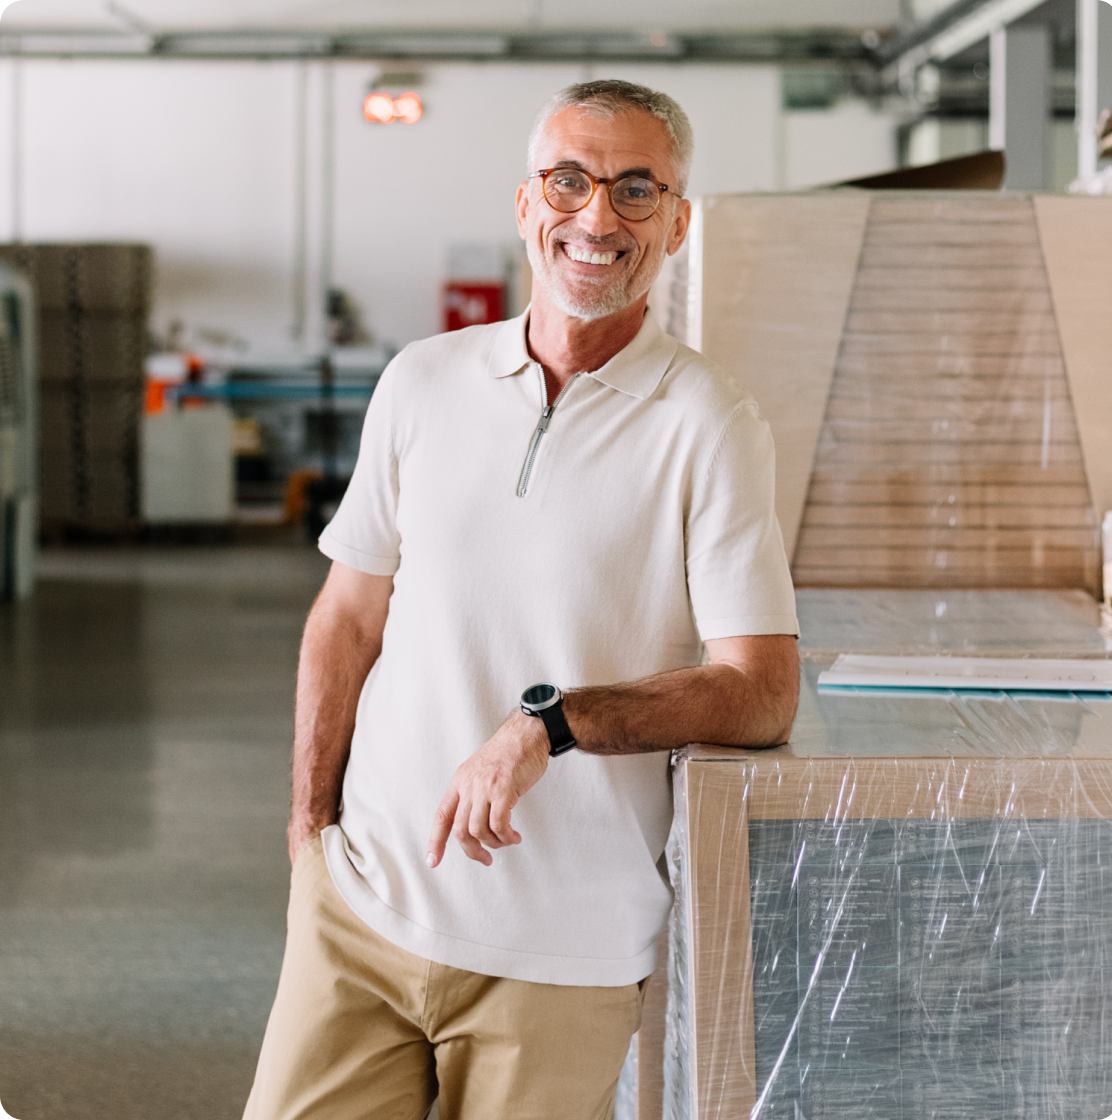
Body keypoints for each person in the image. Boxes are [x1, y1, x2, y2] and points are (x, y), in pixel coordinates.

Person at [243, 79, 800, 1120]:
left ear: (677, 221)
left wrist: (557, 724)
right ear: (525, 204)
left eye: (636, 190)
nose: (597, 217)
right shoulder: (421, 380)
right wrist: (309, 832)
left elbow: (761, 691)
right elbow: (348, 617)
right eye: (570, 181)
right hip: (361, 908)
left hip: (561, 949)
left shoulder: (708, 422)